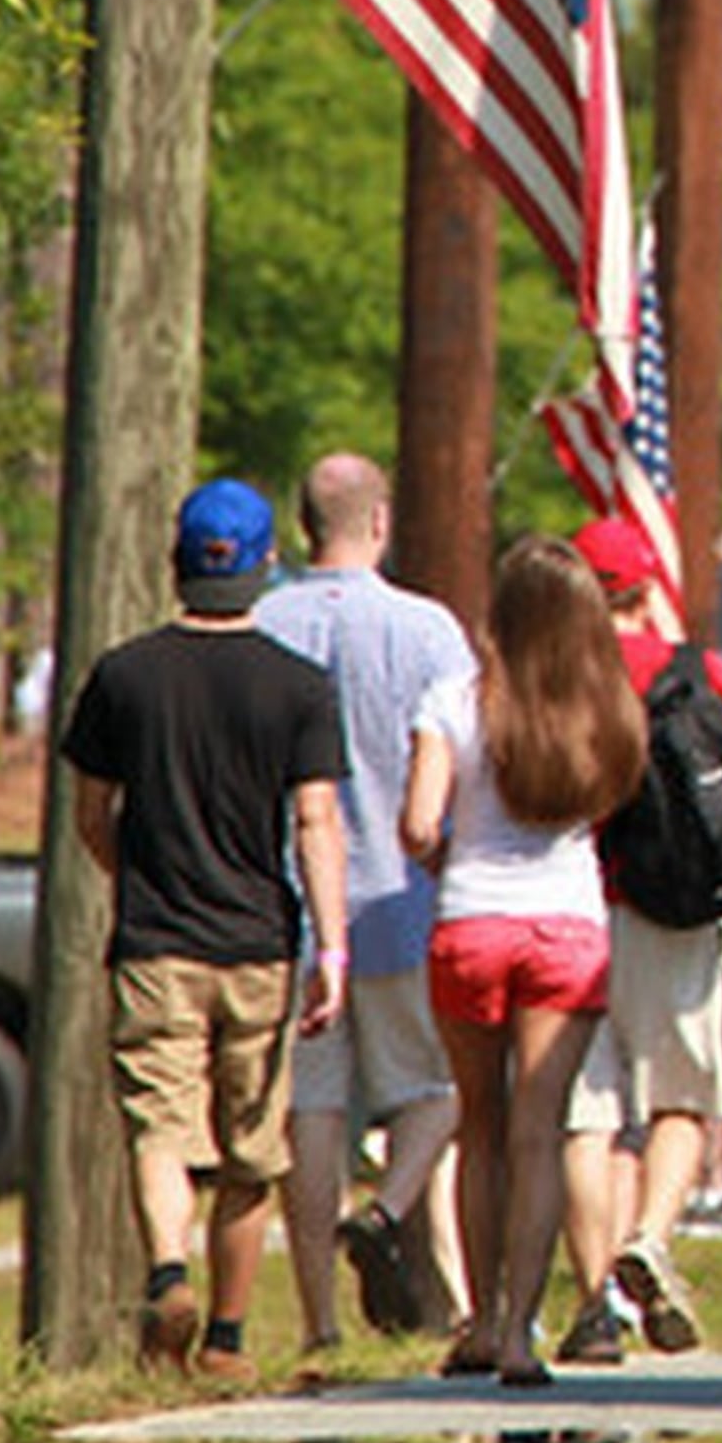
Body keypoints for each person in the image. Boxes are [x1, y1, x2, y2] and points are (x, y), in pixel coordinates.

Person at [60, 476, 351, 1381]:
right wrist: (333, 945)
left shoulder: (123, 675)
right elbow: (315, 821)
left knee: (160, 1125)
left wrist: (132, 872)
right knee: (250, 1149)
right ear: (268, 563)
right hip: (259, 942)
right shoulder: (299, 686)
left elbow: (92, 811)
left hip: (155, 940)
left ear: (176, 561)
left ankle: (167, 1271)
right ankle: (225, 1337)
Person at [406, 535, 649, 1385]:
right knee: (541, 1129)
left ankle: (477, 1321)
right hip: (568, 927)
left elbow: (418, 824)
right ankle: (520, 1333)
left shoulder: (453, 700)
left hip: (471, 921)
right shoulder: (607, 712)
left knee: (480, 1127)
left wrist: (453, 862)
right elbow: (612, 807)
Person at [258, 452, 474, 1359]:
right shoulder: (429, 630)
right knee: (441, 1093)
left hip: (291, 912)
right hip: (401, 902)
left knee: (311, 1113)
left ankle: (320, 1321)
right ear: (380, 522)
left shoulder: (261, 623)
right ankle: (392, 1219)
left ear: (301, 524)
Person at [570, 511, 722, 1356]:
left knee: (589, 1119)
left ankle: (593, 1306)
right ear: (648, 586)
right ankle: (650, 1240)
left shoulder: (554, 672)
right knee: (679, 1102)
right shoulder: (697, 670)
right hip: (672, 913)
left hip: (570, 906)